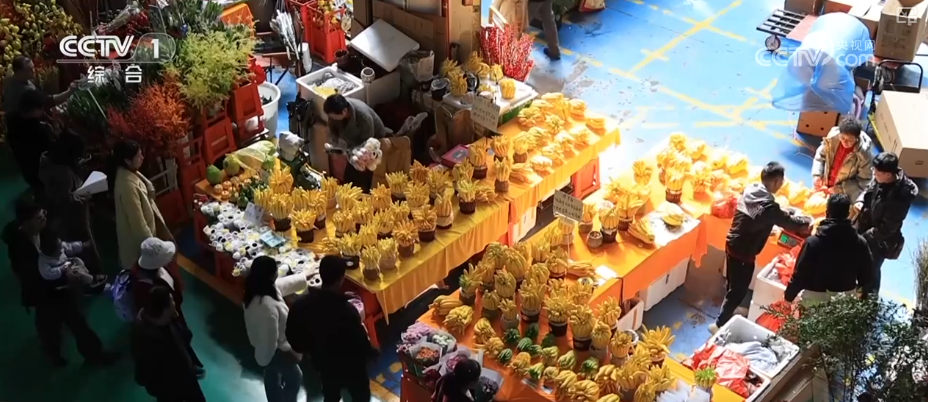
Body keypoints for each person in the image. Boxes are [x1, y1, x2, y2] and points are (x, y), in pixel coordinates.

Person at [2, 198, 117, 366]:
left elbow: (60, 248)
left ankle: (95, 355)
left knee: (78, 323)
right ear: (25, 224)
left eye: (43, 214)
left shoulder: (45, 231)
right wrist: (64, 276)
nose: (44, 218)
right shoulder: (19, 249)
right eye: (39, 218)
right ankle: (52, 353)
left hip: (61, 289)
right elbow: (33, 277)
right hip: (43, 294)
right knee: (50, 327)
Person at [713, 162, 812, 333]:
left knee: (733, 281)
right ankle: (719, 324)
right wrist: (806, 222)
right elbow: (788, 222)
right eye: (781, 181)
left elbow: (766, 215)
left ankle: (730, 309)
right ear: (776, 181)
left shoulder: (751, 190)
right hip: (744, 251)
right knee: (739, 289)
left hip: (732, 242)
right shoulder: (769, 207)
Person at [286, 255, 377, 402]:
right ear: (342, 279)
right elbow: (361, 343)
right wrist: (373, 352)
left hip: (324, 365)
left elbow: (292, 335)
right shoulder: (347, 311)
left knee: (330, 394)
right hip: (352, 368)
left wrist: (309, 350)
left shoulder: (302, 305)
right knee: (360, 396)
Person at [243, 256, 314, 402]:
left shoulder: (257, 289)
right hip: (275, 351)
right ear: (271, 276)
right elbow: (269, 342)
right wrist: (285, 353)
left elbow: (281, 285)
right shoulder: (268, 309)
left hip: (267, 349)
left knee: (272, 373)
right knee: (294, 377)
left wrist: (304, 276)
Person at [784, 194, 873, 306]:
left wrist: (788, 297)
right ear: (848, 214)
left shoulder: (813, 242)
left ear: (827, 213)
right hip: (843, 302)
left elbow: (800, 275)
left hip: (814, 300)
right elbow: (866, 276)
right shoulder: (861, 243)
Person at [853, 152, 918, 295]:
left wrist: (862, 238)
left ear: (888, 174)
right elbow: (870, 188)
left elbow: (886, 228)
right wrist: (861, 200)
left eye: (877, 172)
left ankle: (870, 298)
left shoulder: (899, 198)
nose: (874, 174)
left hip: (879, 240)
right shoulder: (881, 178)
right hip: (866, 225)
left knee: (871, 268)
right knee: (858, 261)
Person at [132, 236, 198, 377]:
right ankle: (188, 369)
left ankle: (191, 363)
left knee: (185, 339)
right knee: (179, 346)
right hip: (168, 324)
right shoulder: (144, 289)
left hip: (174, 316)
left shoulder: (158, 269)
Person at [39, 130, 101, 272]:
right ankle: (92, 274)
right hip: (73, 217)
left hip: (61, 218)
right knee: (84, 244)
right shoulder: (63, 174)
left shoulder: (47, 160)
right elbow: (64, 199)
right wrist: (86, 196)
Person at [132, 286, 207, 402]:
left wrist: (190, 365)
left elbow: (183, 341)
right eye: (172, 300)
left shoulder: (167, 319)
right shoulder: (145, 342)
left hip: (186, 376)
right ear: (164, 309)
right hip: (169, 389)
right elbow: (143, 376)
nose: (174, 302)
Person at [111, 140, 172, 270]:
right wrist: (154, 251)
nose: (142, 158)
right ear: (127, 161)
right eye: (138, 156)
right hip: (139, 248)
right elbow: (139, 225)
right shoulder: (127, 186)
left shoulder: (130, 172)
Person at [322, 94, 392, 192]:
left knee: (362, 170)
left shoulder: (363, 117)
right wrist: (335, 146)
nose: (331, 118)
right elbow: (333, 131)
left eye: (333, 116)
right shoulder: (335, 114)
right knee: (349, 176)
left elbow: (368, 144)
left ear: (344, 111)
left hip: (372, 142)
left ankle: (364, 192)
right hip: (353, 144)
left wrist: (352, 153)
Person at [5, 89, 57, 201]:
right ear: (35, 109)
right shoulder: (39, 132)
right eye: (42, 108)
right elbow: (52, 154)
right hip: (41, 174)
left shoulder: (12, 121)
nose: (43, 111)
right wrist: (54, 130)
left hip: (26, 169)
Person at [811, 116, 873, 202]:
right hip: (824, 185)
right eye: (842, 138)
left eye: (850, 140)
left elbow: (864, 181)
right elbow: (820, 157)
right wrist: (817, 175)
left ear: (857, 138)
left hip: (843, 195)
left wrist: (841, 189)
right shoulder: (832, 140)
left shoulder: (864, 155)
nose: (845, 142)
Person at [37, 227, 106, 291]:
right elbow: (47, 273)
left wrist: (82, 246)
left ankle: (86, 274)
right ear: (50, 253)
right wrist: (61, 269)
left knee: (77, 260)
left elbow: (70, 247)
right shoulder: (43, 261)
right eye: (58, 251)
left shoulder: (59, 246)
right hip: (60, 276)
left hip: (67, 264)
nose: (61, 250)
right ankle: (91, 282)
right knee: (75, 272)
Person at [1, 56, 77, 114]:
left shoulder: (16, 80)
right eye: (30, 69)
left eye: (33, 68)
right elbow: (49, 100)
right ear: (19, 72)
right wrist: (69, 91)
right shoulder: (24, 90)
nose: (33, 71)